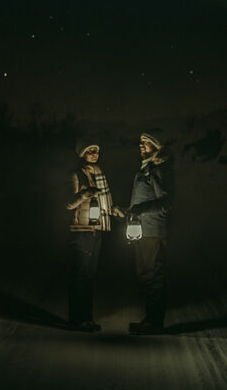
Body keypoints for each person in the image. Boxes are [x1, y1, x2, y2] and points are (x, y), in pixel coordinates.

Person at [65, 140, 123, 332]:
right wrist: (84, 195)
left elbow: (103, 201)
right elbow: (68, 204)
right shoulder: (76, 174)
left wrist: (114, 210)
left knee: (89, 276)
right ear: (82, 154)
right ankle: (76, 319)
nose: (94, 154)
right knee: (80, 275)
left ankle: (87, 318)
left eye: (96, 151)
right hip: (82, 231)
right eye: (90, 151)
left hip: (96, 229)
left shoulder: (98, 174)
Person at [126, 132, 173, 335]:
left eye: (147, 144)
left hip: (153, 230)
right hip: (143, 229)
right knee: (147, 273)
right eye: (141, 143)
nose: (142, 146)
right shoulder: (146, 169)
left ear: (157, 146)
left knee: (153, 275)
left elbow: (167, 202)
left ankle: (154, 322)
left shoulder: (158, 170)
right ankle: (150, 319)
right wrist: (129, 212)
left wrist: (140, 210)